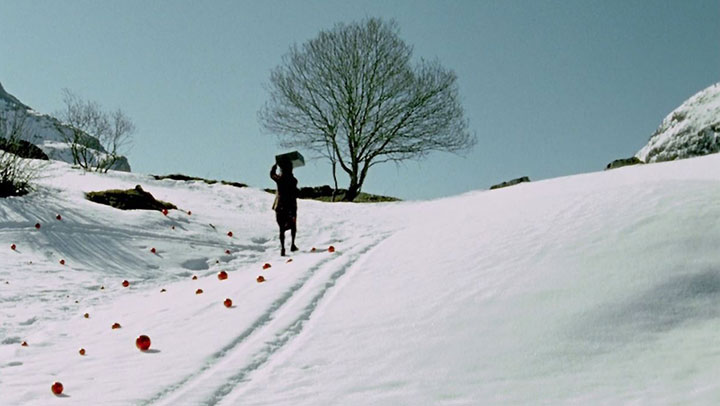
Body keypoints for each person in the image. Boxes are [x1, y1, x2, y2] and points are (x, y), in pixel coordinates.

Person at [270, 161, 299, 256]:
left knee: (281, 228)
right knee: (293, 226)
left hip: (280, 205)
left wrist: (274, 167)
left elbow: (272, 175)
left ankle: (282, 248)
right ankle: (292, 244)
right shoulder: (293, 180)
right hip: (290, 206)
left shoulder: (280, 179)